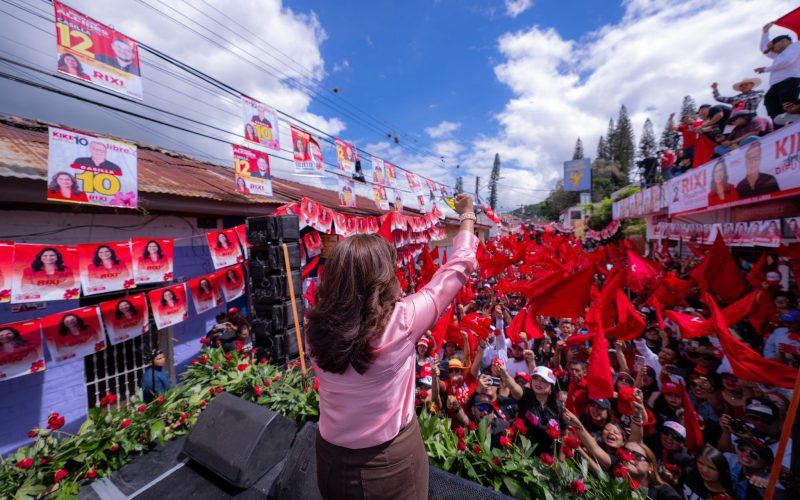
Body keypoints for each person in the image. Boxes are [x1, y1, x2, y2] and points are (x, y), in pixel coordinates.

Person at [307, 193, 476, 499]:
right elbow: (458, 268)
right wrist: (467, 216)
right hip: (389, 462)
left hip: (329, 457)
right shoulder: (403, 322)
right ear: (382, 280)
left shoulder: (313, 327)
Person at [757, 23, 800, 119]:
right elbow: (764, 49)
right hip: (775, 85)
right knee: (771, 105)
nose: (772, 50)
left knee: (790, 107)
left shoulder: (797, 45)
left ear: (783, 41)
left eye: (773, 47)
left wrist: (766, 69)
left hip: (790, 81)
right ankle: (779, 129)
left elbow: (788, 61)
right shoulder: (778, 55)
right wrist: (765, 32)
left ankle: (795, 124)